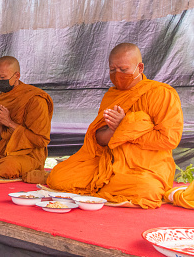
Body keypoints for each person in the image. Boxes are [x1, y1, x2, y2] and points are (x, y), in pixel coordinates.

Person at [47, 43, 184, 209]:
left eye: (123, 69)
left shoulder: (161, 94)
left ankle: (108, 190)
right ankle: (108, 189)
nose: (117, 74)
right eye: (112, 69)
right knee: (58, 177)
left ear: (139, 67)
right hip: (107, 165)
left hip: (143, 168)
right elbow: (99, 139)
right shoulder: (111, 96)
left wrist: (127, 126)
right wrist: (115, 129)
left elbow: (169, 139)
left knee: (146, 189)